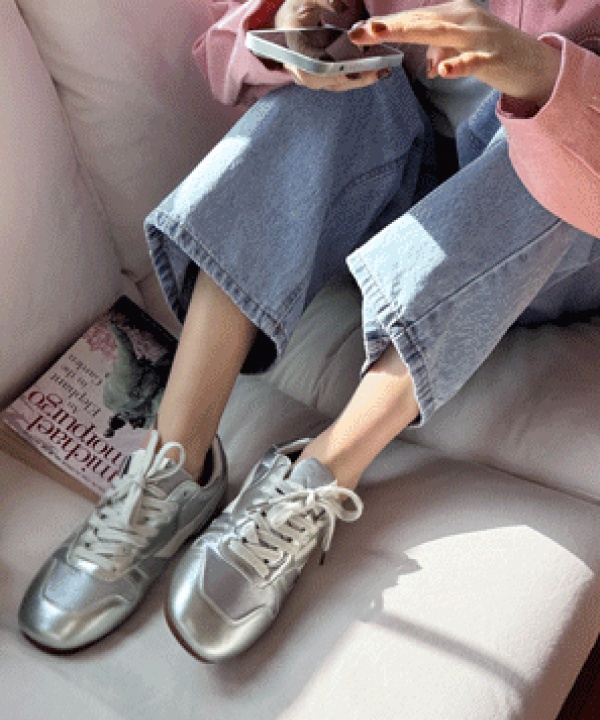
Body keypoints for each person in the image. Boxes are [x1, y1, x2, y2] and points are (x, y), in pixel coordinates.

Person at [19, 0, 600, 659]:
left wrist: (541, 77)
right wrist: (291, 25)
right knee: (330, 89)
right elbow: (236, 43)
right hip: (402, 185)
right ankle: (173, 465)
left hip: (551, 242)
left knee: (544, 146)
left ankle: (319, 474)